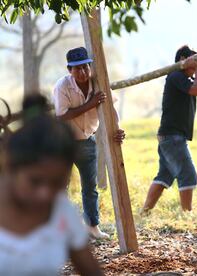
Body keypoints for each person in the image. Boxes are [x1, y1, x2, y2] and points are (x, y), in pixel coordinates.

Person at [0, 95, 102, 275]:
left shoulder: (62, 211)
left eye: (57, 183)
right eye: (35, 181)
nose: (45, 193)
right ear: (10, 168)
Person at [53, 47, 125, 239]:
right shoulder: (62, 86)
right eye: (78, 69)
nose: (83, 73)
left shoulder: (98, 83)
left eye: (85, 67)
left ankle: (92, 227)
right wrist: (90, 104)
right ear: (69, 70)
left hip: (87, 141)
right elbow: (61, 116)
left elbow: (111, 108)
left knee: (90, 187)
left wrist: (117, 129)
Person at [142, 45, 197, 212]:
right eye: (193, 60)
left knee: (164, 175)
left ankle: (144, 211)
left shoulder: (186, 78)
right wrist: (196, 66)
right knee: (188, 174)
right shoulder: (176, 75)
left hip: (171, 135)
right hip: (172, 135)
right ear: (183, 59)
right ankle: (186, 214)